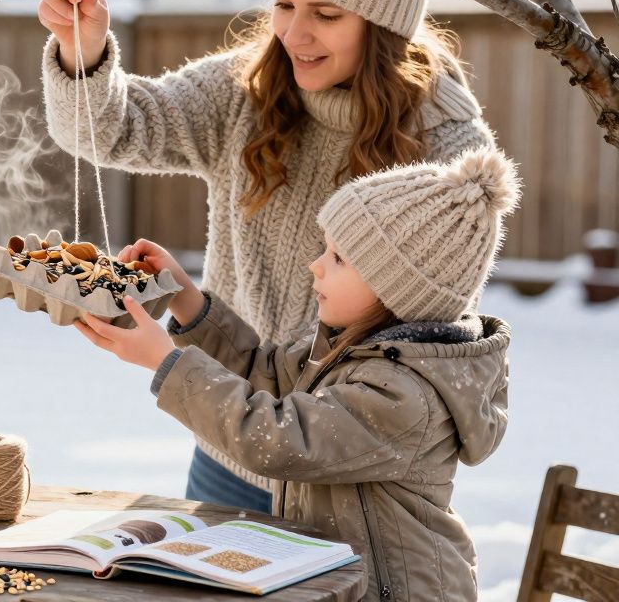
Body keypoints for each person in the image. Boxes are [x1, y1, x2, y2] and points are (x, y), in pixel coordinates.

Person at [37, 0, 494, 512]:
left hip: (352, 484)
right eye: (282, 2)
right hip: (226, 447)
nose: (293, 34)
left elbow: (419, 351)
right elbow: (114, 129)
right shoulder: (247, 90)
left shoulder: (445, 145)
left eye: (326, 14)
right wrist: (81, 51)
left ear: (385, 22)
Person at [74, 147, 518, 601]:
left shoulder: (404, 396)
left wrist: (167, 364)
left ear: (394, 292)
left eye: (339, 258)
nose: (316, 264)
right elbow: (261, 374)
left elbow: (280, 438)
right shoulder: (346, 347)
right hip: (339, 584)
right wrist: (185, 300)